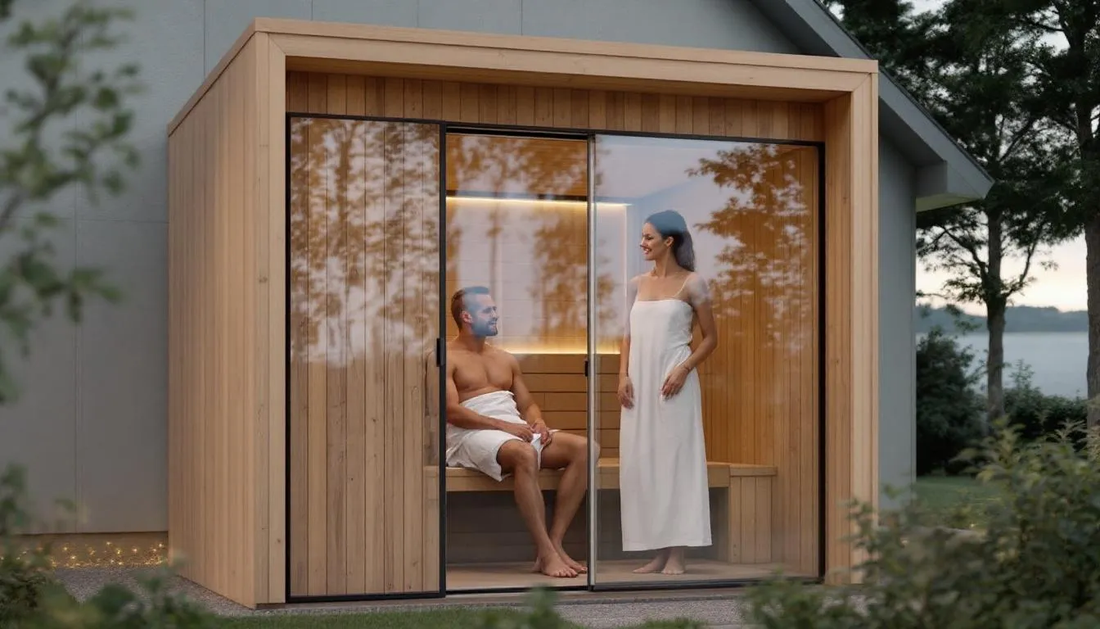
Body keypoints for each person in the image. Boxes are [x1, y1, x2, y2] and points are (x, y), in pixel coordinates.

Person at [444, 286, 595, 579]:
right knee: (524, 453)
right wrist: (505, 426)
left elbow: (527, 404)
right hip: (470, 434)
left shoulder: (505, 358)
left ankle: (553, 544)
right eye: (488, 310)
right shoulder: (446, 357)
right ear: (467, 316)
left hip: (514, 431)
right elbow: (452, 412)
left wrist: (537, 421)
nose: (495, 314)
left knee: (586, 448)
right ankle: (547, 552)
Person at [616, 209, 718, 575]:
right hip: (638, 385)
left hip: (674, 383)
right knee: (644, 463)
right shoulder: (635, 285)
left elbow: (710, 339)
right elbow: (626, 335)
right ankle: (657, 552)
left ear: (669, 241)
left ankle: (678, 554)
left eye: (648, 238)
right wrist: (622, 376)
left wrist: (684, 368)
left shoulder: (693, 283)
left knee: (676, 463)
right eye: (642, 237)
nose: (642, 244)